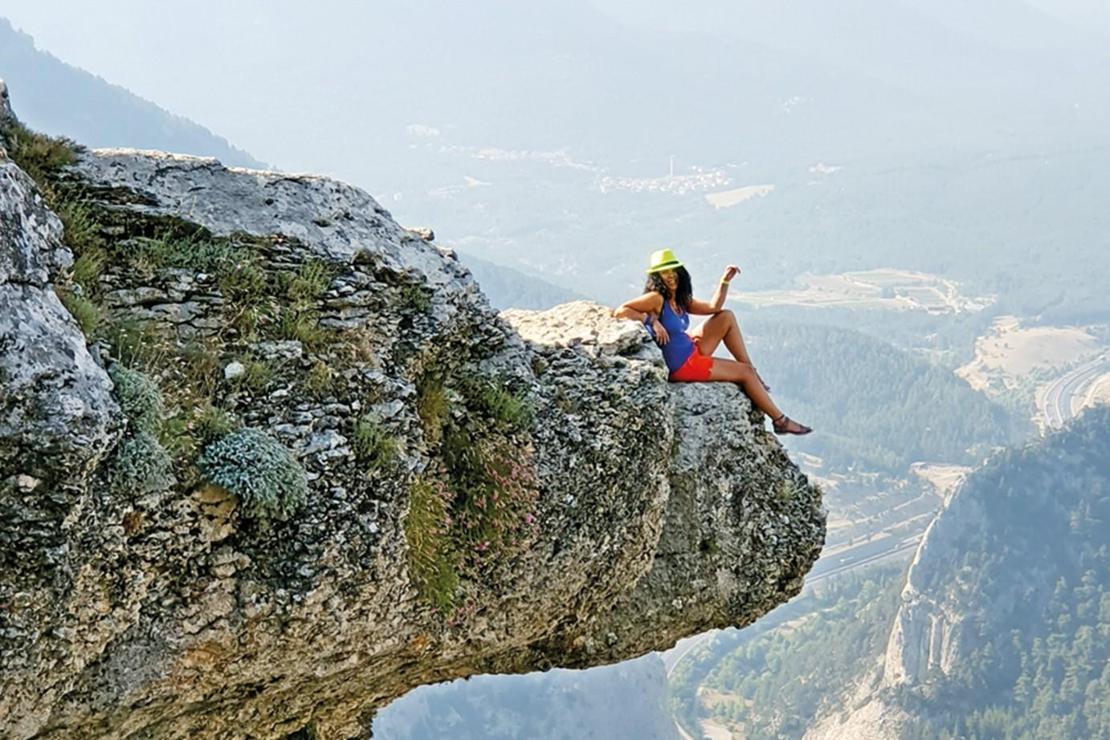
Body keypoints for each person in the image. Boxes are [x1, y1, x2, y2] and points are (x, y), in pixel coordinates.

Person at [612, 248, 812, 435]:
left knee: (726, 316)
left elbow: (713, 307)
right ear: (657, 277)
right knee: (744, 373)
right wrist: (651, 321)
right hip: (682, 365)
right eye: (665, 272)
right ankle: (780, 420)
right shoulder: (656, 298)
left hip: (689, 348)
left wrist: (724, 281)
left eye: (674, 270)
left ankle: (752, 370)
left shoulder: (679, 299)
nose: (671, 275)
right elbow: (621, 311)